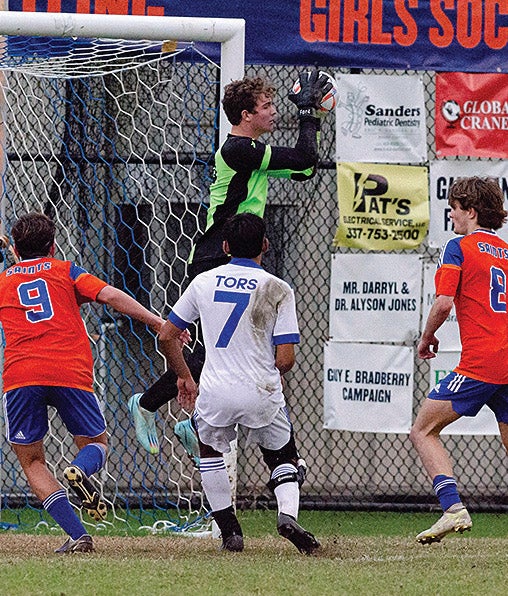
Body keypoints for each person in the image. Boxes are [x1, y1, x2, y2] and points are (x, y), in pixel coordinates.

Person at [128, 69, 332, 464]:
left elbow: (306, 168)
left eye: (275, 104)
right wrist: (308, 114)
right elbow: (304, 156)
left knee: (222, 351)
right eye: (267, 107)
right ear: (244, 115)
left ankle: (192, 423)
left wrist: (316, 119)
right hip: (214, 255)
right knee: (205, 354)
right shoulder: (238, 149)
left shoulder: (253, 152)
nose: (274, 112)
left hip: (239, 255)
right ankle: (149, 404)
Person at [0, 212, 165, 554]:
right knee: (97, 443)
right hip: (69, 371)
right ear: (53, 246)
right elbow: (110, 296)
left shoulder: (3, 282)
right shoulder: (64, 270)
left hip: (21, 375)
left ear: (15, 249)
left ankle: (78, 535)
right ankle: (79, 469)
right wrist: (154, 320)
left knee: (32, 461)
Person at [158, 212, 320, 554]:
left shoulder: (203, 282)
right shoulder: (278, 288)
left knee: (210, 451)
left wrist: (184, 375)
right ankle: (287, 516)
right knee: (283, 456)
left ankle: (230, 531)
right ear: (265, 245)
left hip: (215, 390)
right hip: (261, 389)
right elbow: (286, 360)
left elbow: (167, 334)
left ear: (226, 246)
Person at [410, 176, 508, 544]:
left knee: (422, 429)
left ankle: (452, 508)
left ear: (471, 211)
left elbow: (444, 301)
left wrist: (427, 335)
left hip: (483, 361)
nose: (450, 214)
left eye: (454, 208)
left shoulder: (459, 247)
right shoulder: (506, 251)